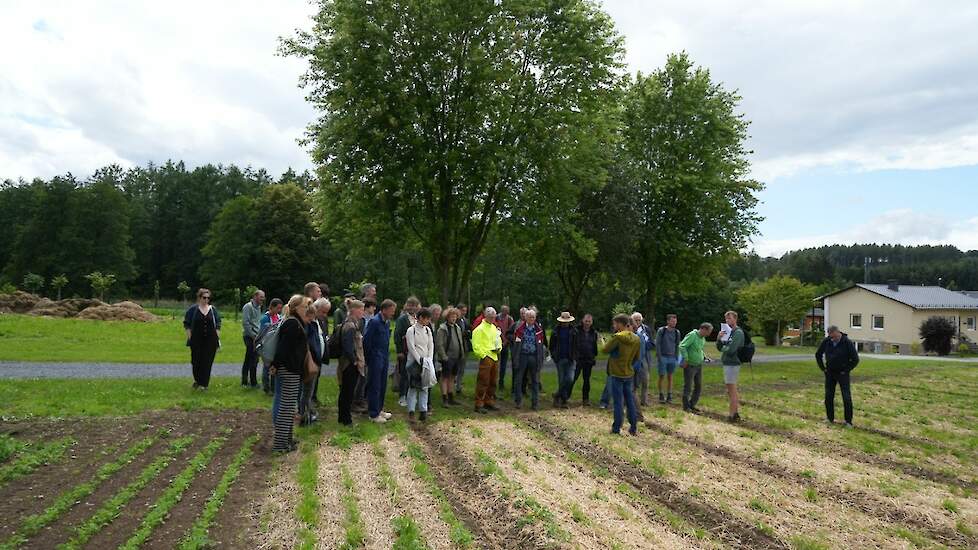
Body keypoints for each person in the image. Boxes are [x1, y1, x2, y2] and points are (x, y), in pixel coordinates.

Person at [270, 295, 311, 453]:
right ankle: (279, 445)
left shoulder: (295, 322)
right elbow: (283, 348)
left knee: (289, 408)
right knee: (286, 409)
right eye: (304, 307)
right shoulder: (292, 324)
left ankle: (287, 441)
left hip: (293, 370)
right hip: (289, 370)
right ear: (295, 308)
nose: (306, 310)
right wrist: (275, 364)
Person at [603, 314, 641, 435]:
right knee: (629, 400)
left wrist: (604, 342)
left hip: (616, 373)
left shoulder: (617, 337)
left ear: (620, 324)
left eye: (615, 323)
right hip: (628, 373)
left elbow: (605, 350)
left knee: (618, 402)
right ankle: (633, 426)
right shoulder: (636, 338)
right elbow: (637, 358)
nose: (614, 326)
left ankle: (616, 428)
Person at [815, 325, 859, 428]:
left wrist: (846, 370)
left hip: (842, 374)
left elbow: (855, 359)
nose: (831, 338)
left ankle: (848, 421)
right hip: (830, 373)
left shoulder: (847, 342)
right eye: (830, 336)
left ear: (837, 332)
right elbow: (818, 354)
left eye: (833, 336)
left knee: (846, 397)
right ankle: (830, 418)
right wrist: (823, 368)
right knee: (828, 396)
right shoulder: (827, 341)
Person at [363, 299, 396, 423]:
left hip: (384, 356)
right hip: (375, 357)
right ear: (384, 309)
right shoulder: (374, 322)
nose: (393, 313)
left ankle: (379, 408)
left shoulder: (386, 323)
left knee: (382, 384)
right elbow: (367, 340)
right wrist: (369, 357)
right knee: (375, 385)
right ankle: (373, 413)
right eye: (391, 310)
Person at [184, 288, 221, 390]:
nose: (206, 300)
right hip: (196, 339)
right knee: (196, 361)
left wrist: (217, 336)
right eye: (204, 297)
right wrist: (190, 336)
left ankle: (204, 384)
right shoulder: (193, 310)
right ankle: (197, 380)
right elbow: (186, 323)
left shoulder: (213, 310)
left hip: (210, 340)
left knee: (207, 361)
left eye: (208, 298)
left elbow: (218, 323)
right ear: (199, 298)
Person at [337, 300, 365, 426]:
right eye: (361, 310)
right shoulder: (350, 326)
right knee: (347, 392)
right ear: (354, 310)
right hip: (348, 365)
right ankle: (346, 420)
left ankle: (343, 418)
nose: (362, 312)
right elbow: (348, 346)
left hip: (349, 363)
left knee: (347, 392)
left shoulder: (352, 323)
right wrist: (354, 361)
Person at [512, 309, 546, 410]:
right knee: (519, 379)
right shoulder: (520, 329)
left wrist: (541, 358)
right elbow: (516, 344)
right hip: (523, 355)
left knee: (535, 380)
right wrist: (515, 358)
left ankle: (535, 403)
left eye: (533, 317)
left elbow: (541, 345)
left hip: (534, 356)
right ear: (525, 318)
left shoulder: (538, 330)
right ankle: (518, 401)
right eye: (529, 317)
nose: (531, 319)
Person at [299, 282, 324, 424]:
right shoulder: (306, 315)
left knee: (309, 389)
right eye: (317, 290)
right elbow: (307, 340)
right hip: (310, 358)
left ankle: (307, 412)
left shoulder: (312, 312)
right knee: (305, 389)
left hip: (315, 357)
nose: (319, 292)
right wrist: (311, 357)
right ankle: (304, 415)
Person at [471, 307, 503, 413]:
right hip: (486, 357)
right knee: (483, 380)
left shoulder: (494, 327)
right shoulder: (479, 329)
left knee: (493, 381)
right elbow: (475, 345)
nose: (493, 319)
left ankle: (489, 400)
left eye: (494, 317)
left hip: (494, 356)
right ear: (486, 316)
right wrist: (483, 355)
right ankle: (479, 403)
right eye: (491, 317)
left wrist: (499, 348)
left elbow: (498, 340)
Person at [406, 308, 435, 421]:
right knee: (413, 387)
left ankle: (423, 410)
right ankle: (411, 411)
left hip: (426, 362)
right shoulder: (411, 330)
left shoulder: (427, 330)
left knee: (425, 387)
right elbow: (411, 347)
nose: (428, 320)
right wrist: (420, 360)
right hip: (414, 362)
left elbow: (430, 345)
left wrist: (429, 360)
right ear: (420, 318)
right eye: (426, 318)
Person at [716, 311, 744, 422]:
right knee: (730, 389)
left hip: (733, 363)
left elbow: (732, 350)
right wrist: (719, 339)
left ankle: (732, 415)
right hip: (727, 362)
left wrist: (724, 348)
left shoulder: (738, 333)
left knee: (732, 389)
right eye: (726, 319)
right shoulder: (728, 332)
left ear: (735, 319)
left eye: (730, 319)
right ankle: (735, 413)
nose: (727, 321)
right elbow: (720, 347)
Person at [679, 322, 712, 413]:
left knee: (698, 385)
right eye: (708, 331)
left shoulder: (702, 338)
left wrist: (704, 357)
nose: (709, 334)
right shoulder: (692, 335)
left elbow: (699, 349)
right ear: (703, 329)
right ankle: (686, 406)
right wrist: (686, 358)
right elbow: (682, 346)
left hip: (698, 365)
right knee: (688, 386)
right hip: (690, 365)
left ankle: (692, 404)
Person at [435, 307, 465, 406]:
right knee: (445, 377)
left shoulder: (457, 328)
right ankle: (444, 398)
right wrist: (444, 357)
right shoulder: (442, 329)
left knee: (453, 377)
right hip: (447, 357)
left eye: (455, 316)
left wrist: (462, 354)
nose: (453, 318)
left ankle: (451, 396)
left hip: (456, 357)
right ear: (447, 317)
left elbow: (460, 341)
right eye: (452, 316)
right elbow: (439, 344)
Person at [394, 296, 421, 406]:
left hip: (416, 351)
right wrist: (399, 350)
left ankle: (411, 395)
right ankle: (402, 396)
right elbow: (397, 335)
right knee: (404, 373)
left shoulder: (417, 319)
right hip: (405, 351)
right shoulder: (402, 319)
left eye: (415, 306)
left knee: (414, 373)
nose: (413, 308)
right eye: (410, 305)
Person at [549, 311, 576, 409]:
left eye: (567, 321)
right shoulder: (556, 331)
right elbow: (551, 345)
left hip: (570, 359)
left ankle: (557, 395)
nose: (565, 323)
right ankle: (563, 400)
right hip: (560, 358)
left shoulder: (574, 331)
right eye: (564, 321)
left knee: (569, 379)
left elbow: (577, 345)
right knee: (561, 380)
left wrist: (575, 355)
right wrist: (554, 356)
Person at [571, 313, 599, 406]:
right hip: (578, 359)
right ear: (583, 321)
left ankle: (585, 399)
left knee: (586, 380)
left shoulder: (593, 333)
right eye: (586, 321)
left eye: (589, 321)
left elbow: (594, 346)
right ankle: (564, 397)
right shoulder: (576, 331)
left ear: (592, 322)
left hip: (589, 359)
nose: (587, 323)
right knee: (573, 378)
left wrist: (594, 355)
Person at [654, 314, 682, 404]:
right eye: (672, 321)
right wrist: (659, 356)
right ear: (668, 321)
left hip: (672, 357)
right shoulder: (662, 331)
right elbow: (657, 343)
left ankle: (669, 394)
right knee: (661, 375)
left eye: (675, 321)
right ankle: (661, 394)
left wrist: (676, 356)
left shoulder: (677, 332)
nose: (674, 323)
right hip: (663, 356)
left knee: (670, 376)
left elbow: (677, 345)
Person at [240, 289, 264, 388]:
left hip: (256, 336)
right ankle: (246, 381)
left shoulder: (259, 307)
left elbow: (257, 322)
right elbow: (246, 323)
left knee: (255, 359)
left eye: (263, 297)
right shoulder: (248, 307)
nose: (263, 299)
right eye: (261, 296)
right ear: (255, 296)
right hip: (249, 336)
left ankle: (252, 381)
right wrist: (253, 336)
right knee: (250, 358)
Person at [259, 298, 283, 394]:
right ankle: (266, 387)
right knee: (266, 366)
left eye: (280, 308)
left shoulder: (279, 317)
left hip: (275, 345)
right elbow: (262, 333)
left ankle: (273, 387)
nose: (279, 310)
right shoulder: (265, 318)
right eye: (277, 308)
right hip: (267, 345)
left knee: (274, 366)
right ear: (271, 307)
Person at [630, 313, 654, 405]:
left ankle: (644, 400)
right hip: (633, 357)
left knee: (645, 380)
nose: (637, 322)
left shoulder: (646, 329)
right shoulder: (630, 329)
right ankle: (632, 399)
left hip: (645, 357)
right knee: (633, 380)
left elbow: (652, 343)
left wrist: (643, 345)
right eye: (635, 320)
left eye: (639, 320)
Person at [495, 305, 515, 392]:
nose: (505, 313)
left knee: (503, 365)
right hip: (497, 343)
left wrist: (506, 342)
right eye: (504, 311)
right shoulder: (496, 318)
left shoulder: (510, 319)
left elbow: (511, 331)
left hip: (506, 345)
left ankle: (501, 382)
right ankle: (494, 381)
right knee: (496, 364)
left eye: (507, 311)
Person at [455, 303, 471, 394]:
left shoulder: (465, 320)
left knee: (462, 367)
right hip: (457, 347)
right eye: (462, 311)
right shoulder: (455, 320)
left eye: (465, 311)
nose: (464, 312)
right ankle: (454, 383)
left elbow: (469, 329)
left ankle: (459, 385)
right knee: (456, 367)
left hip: (465, 346)